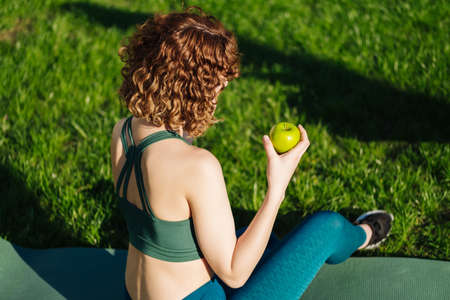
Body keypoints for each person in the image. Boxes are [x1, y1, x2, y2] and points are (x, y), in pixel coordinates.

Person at [110, 7, 393, 300]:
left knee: (263, 238)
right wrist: (276, 190)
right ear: (190, 88)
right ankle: (366, 234)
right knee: (325, 227)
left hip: (136, 293)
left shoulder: (125, 132)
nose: (223, 86)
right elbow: (234, 272)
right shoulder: (198, 167)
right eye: (215, 81)